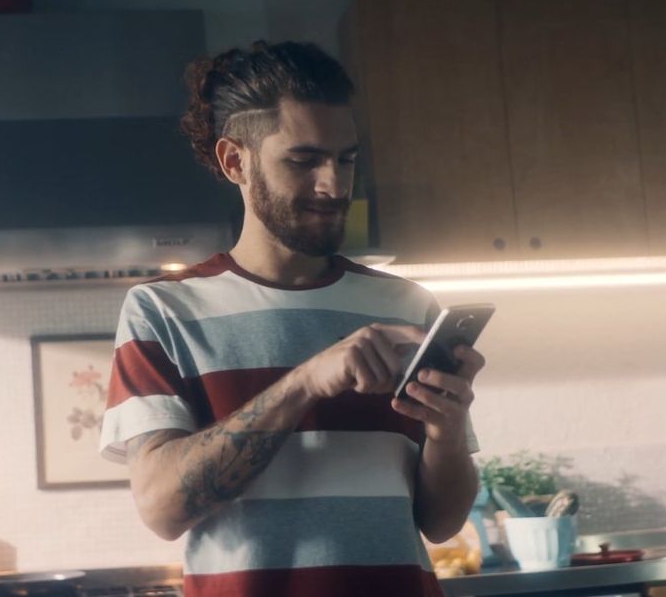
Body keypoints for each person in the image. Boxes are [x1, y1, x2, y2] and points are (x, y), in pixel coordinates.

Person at [98, 40, 485, 596]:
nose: (334, 185)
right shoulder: (164, 311)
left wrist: (446, 430)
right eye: (303, 161)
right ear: (236, 161)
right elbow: (162, 508)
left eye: (346, 159)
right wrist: (305, 382)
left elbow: (441, 522)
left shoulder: (407, 307)